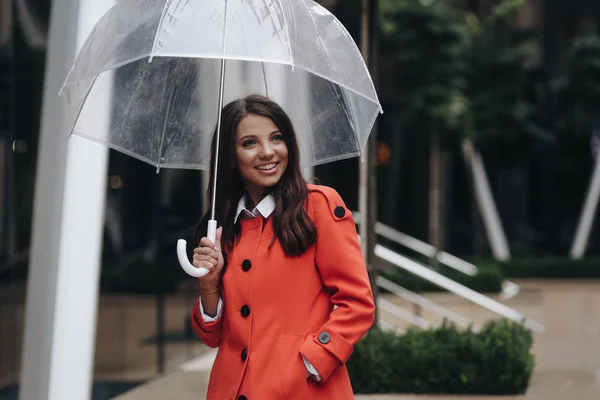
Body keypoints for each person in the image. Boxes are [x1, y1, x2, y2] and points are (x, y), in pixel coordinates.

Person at [191, 94, 375, 400]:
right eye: (249, 143)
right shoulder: (224, 227)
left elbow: (358, 303)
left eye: (276, 138)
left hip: (302, 390)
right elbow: (213, 337)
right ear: (230, 157)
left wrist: (312, 360)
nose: (267, 152)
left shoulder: (318, 207)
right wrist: (209, 288)